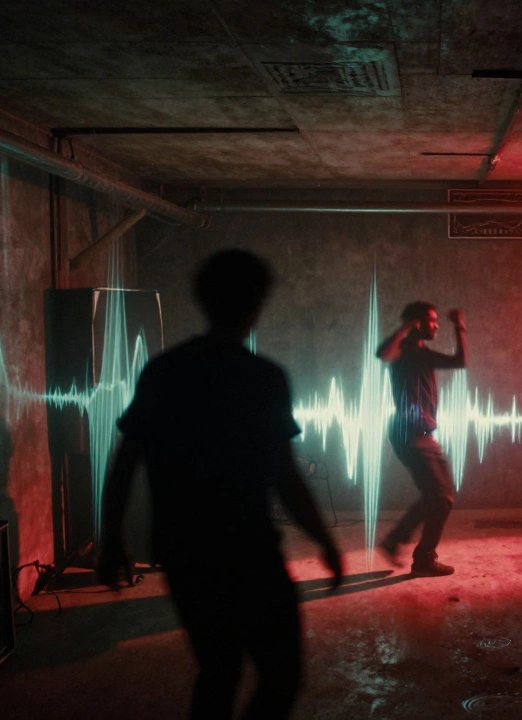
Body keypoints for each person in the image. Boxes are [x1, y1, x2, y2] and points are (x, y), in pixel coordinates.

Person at [96, 250, 343, 720]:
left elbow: (125, 462)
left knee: (218, 671)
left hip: (185, 553)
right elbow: (285, 476)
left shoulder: (163, 372)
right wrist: (324, 539)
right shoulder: (263, 378)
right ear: (256, 305)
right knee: (281, 675)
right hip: (250, 550)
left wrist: (111, 540)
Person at [374, 301, 467, 577]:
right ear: (416, 323)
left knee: (441, 498)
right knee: (440, 498)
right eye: (431, 320)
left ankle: (397, 541)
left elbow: (459, 362)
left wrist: (459, 327)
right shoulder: (402, 352)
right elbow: (382, 353)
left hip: (424, 434)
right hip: (409, 435)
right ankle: (422, 557)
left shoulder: (424, 355)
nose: (436, 325)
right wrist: (405, 327)